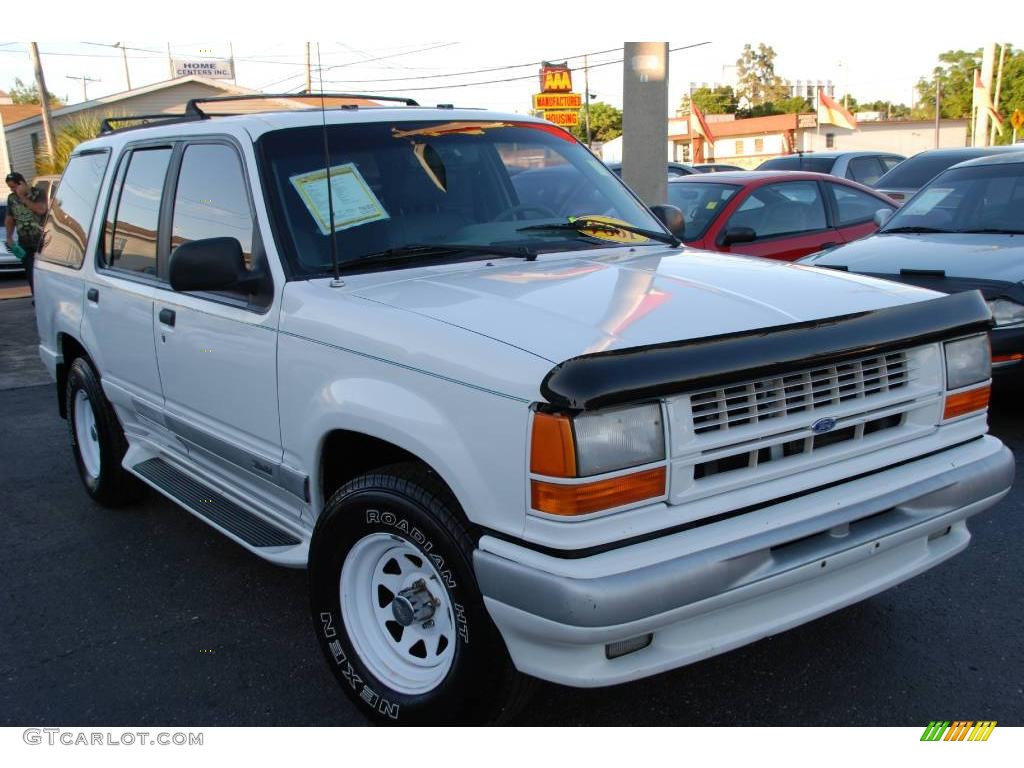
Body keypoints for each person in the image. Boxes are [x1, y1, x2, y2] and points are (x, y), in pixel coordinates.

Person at [5, 171, 48, 295]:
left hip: (41, 241)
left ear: (22, 183)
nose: (12, 190)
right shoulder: (12, 198)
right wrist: (9, 236)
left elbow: (41, 209)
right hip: (24, 241)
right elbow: (10, 218)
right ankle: (36, 298)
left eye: (14, 186)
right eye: (10, 187)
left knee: (44, 274)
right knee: (30, 273)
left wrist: (23, 197)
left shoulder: (38, 193)